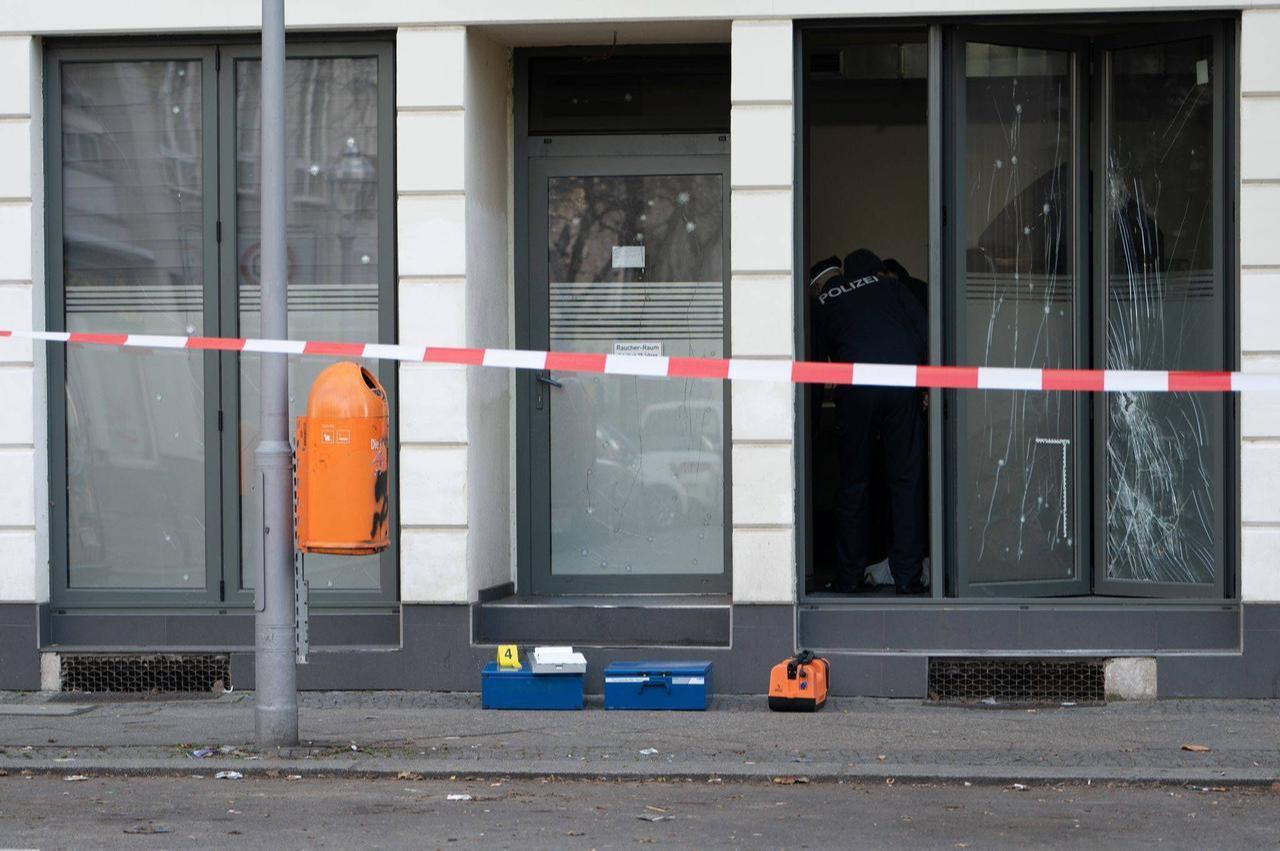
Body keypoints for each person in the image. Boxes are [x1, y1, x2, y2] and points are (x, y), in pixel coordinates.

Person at [811, 249, 928, 595]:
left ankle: (849, 578)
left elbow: (815, 369)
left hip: (858, 388)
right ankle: (907, 577)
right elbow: (924, 329)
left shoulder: (823, 303)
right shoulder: (889, 286)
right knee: (906, 480)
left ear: (817, 285)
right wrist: (927, 385)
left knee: (854, 484)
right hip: (902, 382)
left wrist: (812, 422)